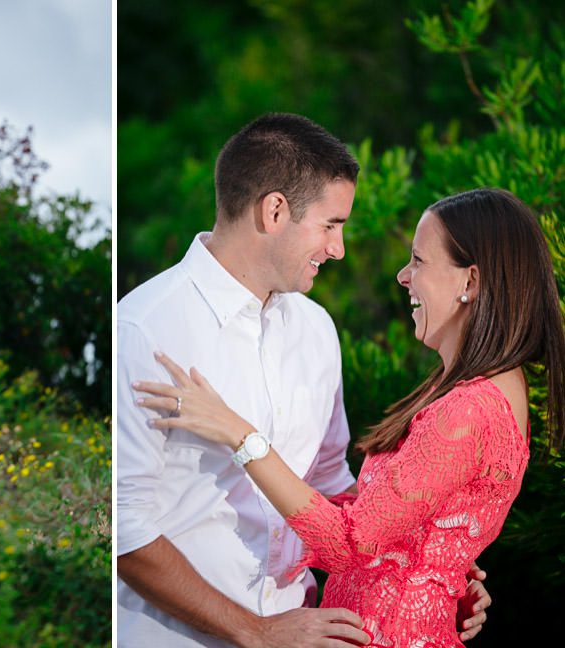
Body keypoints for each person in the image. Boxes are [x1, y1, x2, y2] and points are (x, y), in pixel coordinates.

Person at [117, 113, 489, 647]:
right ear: (274, 211)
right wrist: (256, 632)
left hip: (306, 630)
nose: (337, 249)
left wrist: (429, 569)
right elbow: (127, 531)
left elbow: (331, 483)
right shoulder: (145, 328)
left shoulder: (316, 328)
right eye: (331, 225)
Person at [134, 188, 565, 647]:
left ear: (470, 282)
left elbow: (351, 543)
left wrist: (241, 435)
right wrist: (443, 573)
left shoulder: (469, 410)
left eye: (419, 261)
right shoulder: (479, 390)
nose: (403, 276)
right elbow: (391, 521)